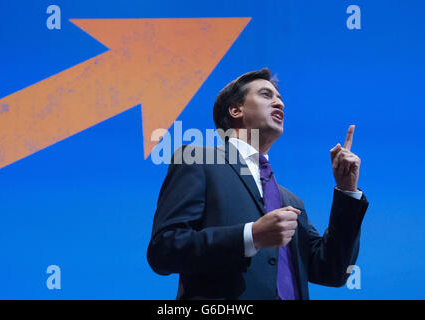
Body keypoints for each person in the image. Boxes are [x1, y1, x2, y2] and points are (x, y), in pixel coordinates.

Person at [147, 68, 369, 300]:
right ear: (235, 110)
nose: (280, 104)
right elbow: (164, 250)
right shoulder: (198, 160)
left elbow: (331, 271)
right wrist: (250, 236)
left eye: (280, 99)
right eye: (266, 95)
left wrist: (347, 191)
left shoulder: (290, 201)